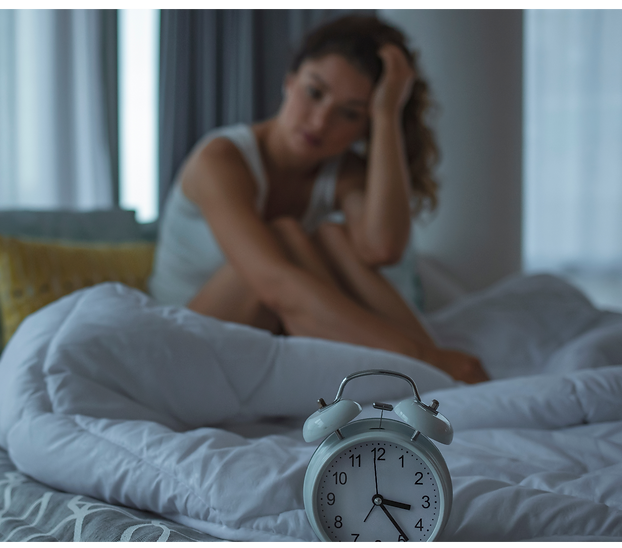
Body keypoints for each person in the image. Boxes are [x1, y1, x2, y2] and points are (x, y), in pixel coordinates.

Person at [148, 14, 488, 384]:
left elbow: (382, 248)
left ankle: (436, 376)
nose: (321, 121)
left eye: (350, 113)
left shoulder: (342, 172)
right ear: (289, 81)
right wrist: (423, 357)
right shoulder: (221, 159)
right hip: (182, 340)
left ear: (364, 126)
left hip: (265, 335)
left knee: (330, 236)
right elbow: (273, 284)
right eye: (314, 92)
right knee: (282, 237)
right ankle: (429, 370)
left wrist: (387, 113)